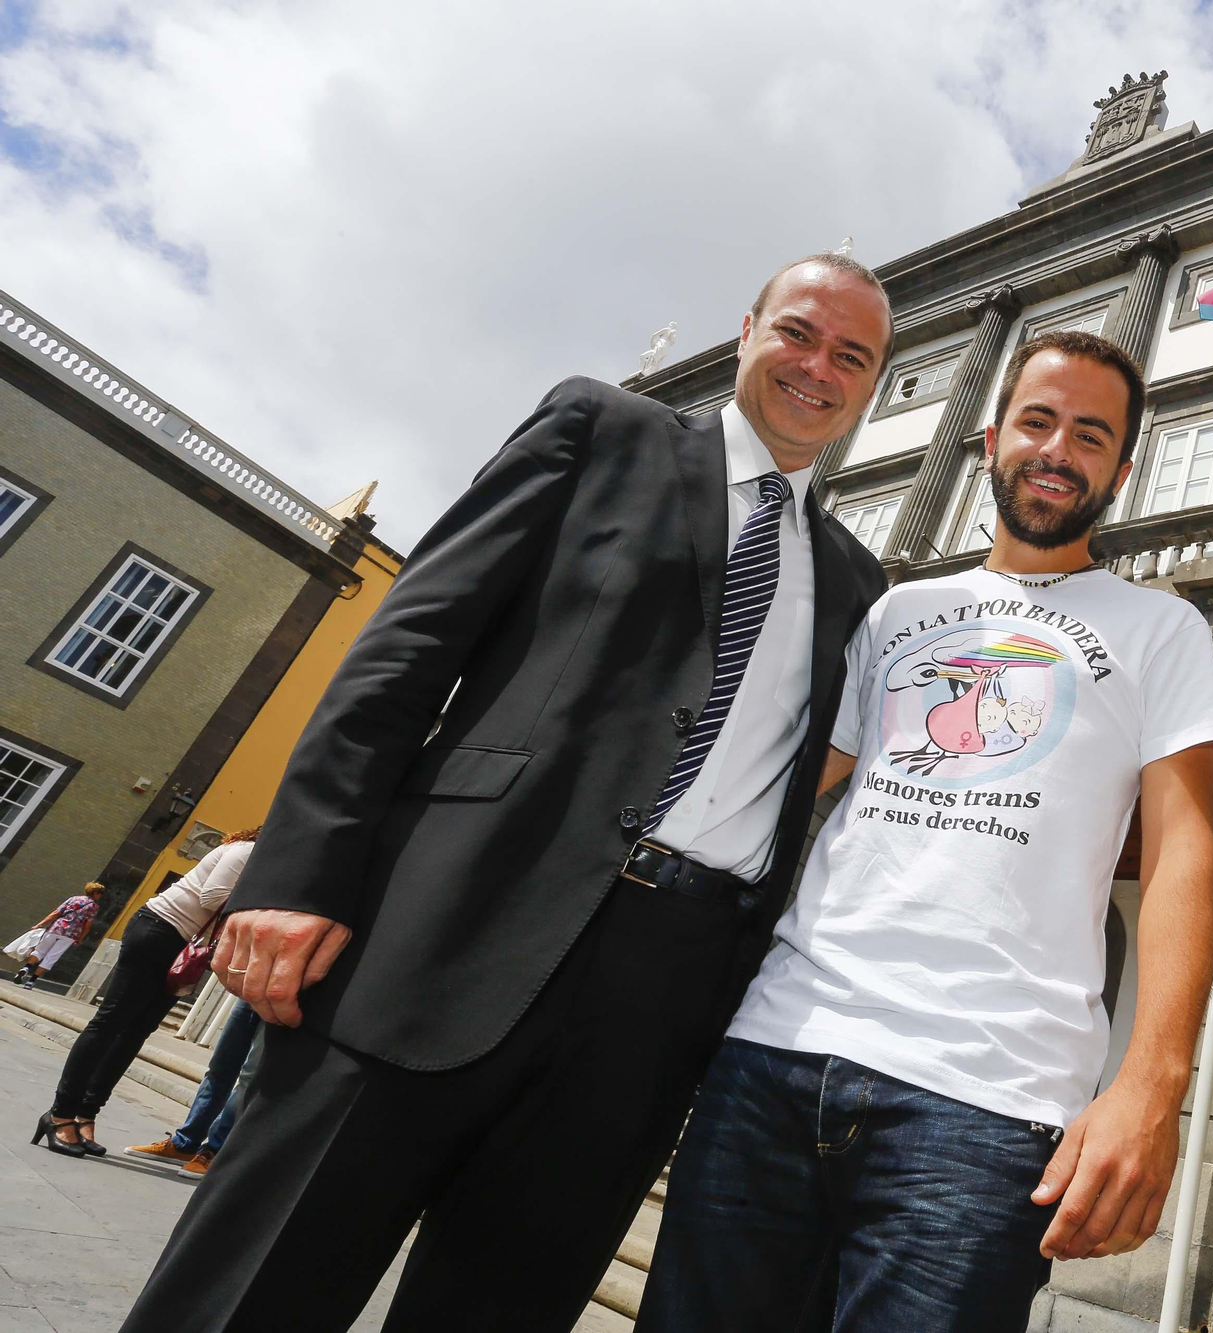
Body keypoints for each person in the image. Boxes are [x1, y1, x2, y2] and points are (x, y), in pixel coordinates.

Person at [121, 253, 894, 1333]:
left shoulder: (859, 583)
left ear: (872, 382)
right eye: (800, 333)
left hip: (655, 1005)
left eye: (851, 357)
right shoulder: (601, 431)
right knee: (253, 1288)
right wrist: (298, 874)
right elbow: (406, 650)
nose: (819, 368)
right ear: (750, 327)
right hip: (443, 931)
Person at [640, 329, 1213, 1333]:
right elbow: (776, 792)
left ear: (1121, 470)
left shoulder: (1158, 627)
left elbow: (1184, 851)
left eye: (1090, 435)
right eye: (1038, 421)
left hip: (986, 1103)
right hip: (772, 1055)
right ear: (993, 437)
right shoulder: (892, 614)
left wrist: (1152, 1085)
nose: (1058, 449)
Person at [32, 833, 255, 1159]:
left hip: (181, 946)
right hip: (158, 929)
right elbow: (211, 897)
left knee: (136, 1033)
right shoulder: (246, 851)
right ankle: (60, 1114)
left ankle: (86, 1114)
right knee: (109, 1024)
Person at [125, 996, 262, 1177]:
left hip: (288, 994)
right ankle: (185, 1144)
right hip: (250, 989)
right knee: (219, 1069)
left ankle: (214, 1151)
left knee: (248, 1077)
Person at [8, 880, 103, 987]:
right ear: (95, 893)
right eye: (100, 894)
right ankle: (31, 981)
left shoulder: (73, 899)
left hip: (56, 928)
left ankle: (27, 967)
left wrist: (39, 924)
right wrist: (80, 938)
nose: (100, 896)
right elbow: (87, 926)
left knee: (40, 951)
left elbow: (56, 913)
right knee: (52, 957)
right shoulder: (94, 907)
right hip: (71, 934)